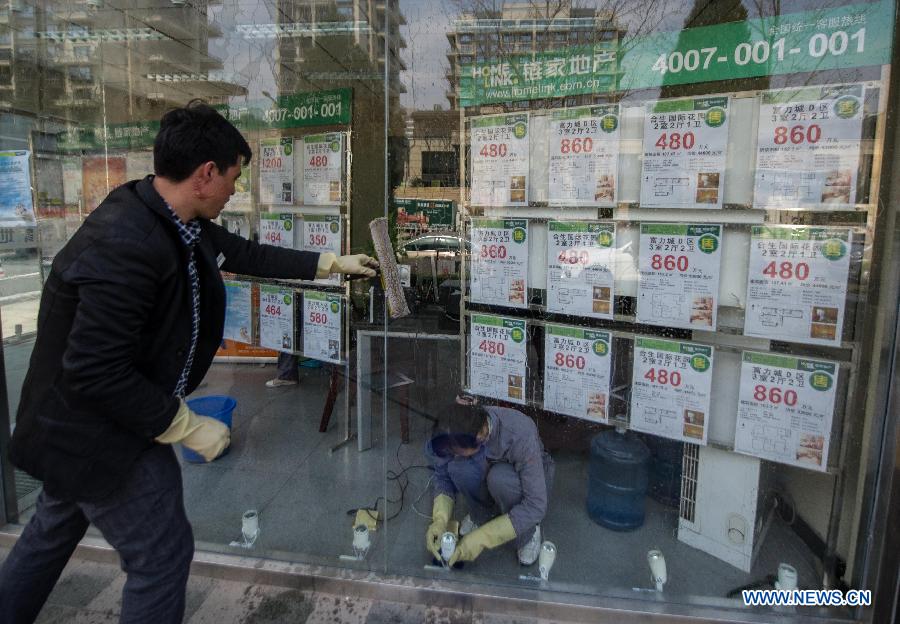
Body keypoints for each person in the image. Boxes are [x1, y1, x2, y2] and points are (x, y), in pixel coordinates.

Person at [0, 100, 377, 624]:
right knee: (161, 555)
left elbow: (247, 255)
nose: (234, 190)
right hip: (94, 432)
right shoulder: (126, 242)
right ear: (205, 175)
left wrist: (330, 263)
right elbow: (94, 369)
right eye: (233, 178)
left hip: (104, 423)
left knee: (49, 534)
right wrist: (183, 424)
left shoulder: (176, 219)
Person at [424, 401, 554, 567]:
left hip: (521, 481)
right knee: (458, 468)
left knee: (499, 479)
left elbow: (536, 505)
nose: (451, 453)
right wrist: (440, 520)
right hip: (486, 466)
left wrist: (481, 539)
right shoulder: (455, 428)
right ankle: (481, 516)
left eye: (455, 451)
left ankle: (527, 534)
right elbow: (442, 474)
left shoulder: (520, 432)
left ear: (480, 436)